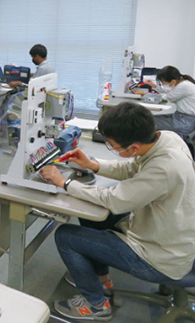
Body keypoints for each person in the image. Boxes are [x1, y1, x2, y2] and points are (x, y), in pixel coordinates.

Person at [39, 102, 195, 320]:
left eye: (113, 146)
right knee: (91, 215)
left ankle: (96, 304)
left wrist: (64, 183)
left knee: (65, 236)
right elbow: (132, 169)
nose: (112, 148)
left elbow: (114, 200)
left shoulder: (166, 168)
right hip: (167, 235)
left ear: (134, 147)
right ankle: (101, 279)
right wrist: (92, 164)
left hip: (159, 258)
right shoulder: (167, 138)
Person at [136, 65, 195, 139]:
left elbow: (167, 97)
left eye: (164, 83)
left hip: (184, 122)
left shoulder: (184, 86)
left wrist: (145, 94)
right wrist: (153, 85)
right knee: (149, 118)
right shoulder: (183, 84)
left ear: (173, 81)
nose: (165, 85)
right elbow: (168, 91)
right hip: (181, 117)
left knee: (147, 122)